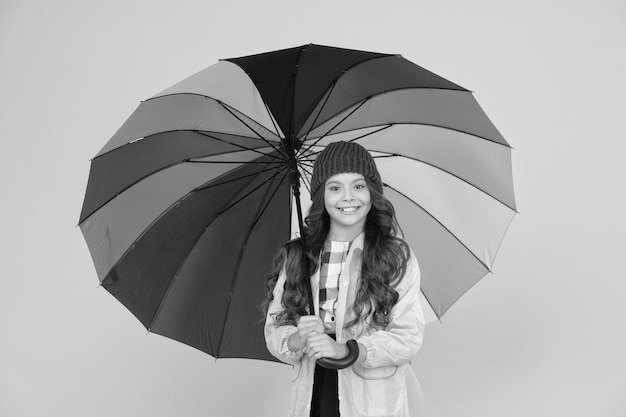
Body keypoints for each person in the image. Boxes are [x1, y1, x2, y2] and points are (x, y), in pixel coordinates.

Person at [264, 141, 425, 417]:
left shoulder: (395, 256)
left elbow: (407, 337)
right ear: (321, 197)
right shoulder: (298, 256)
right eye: (335, 187)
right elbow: (275, 329)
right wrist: (298, 338)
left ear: (372, 192)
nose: (348, 197)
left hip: (373, 398)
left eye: (358, 186)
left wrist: (347, 350)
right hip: (316, 390)